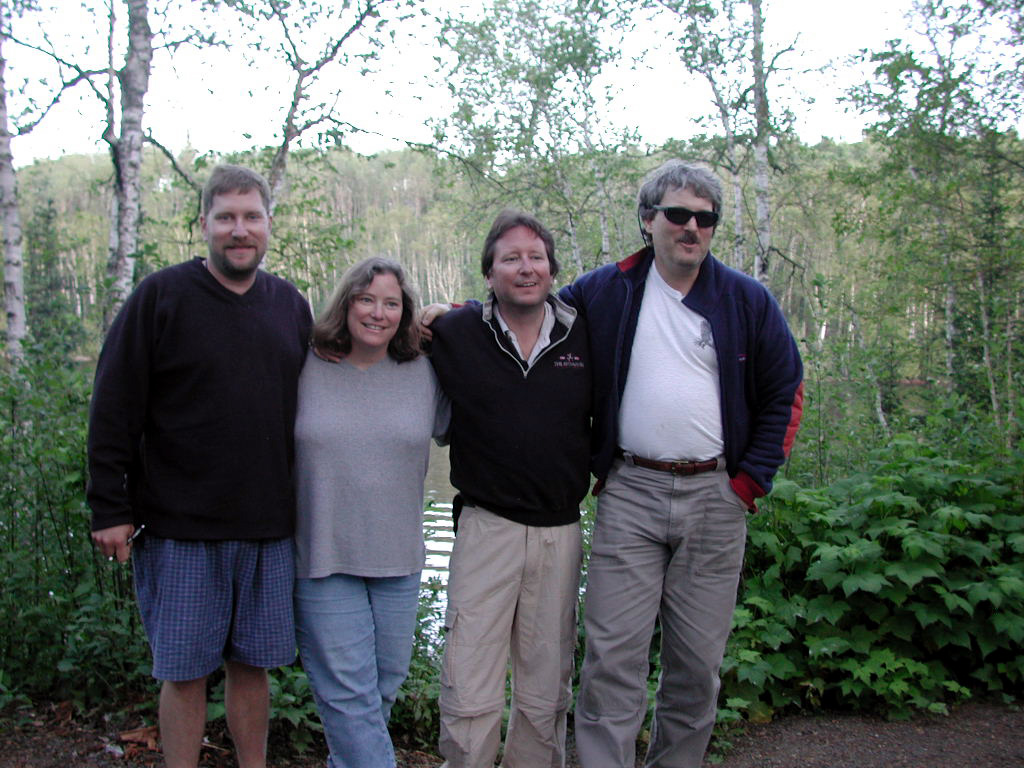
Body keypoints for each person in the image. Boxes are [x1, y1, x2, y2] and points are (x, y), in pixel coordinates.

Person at [561, 159, 804, 768]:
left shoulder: (746, 300)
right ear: (648, 220)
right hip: (630, 493)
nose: (691, 227)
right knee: (612, 659)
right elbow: (530, 318)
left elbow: (786, 391)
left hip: (715, 499)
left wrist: (746, 485)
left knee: (696, 667)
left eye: (705, 218)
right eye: (677, 214)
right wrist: (457, 316)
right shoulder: (605, 291)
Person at [87, 164, 312, 768]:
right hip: (180, 529)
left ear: (269, 223)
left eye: (251, 217)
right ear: (203, 223)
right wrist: (109, 506)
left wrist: (431, 323)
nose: (240, 230)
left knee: (253, 668)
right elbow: (113, 405)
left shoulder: (289, 305)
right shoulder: (161, 297)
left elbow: (339, 376)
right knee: (184, 674)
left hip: (268, 527)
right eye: (226, 217)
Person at [427, 210, 591, 768]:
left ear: (552, 268)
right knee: (468, 682)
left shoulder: (583, 333)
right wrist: (433, 313)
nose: (526, 268)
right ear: (489, 273)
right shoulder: (456, 333)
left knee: (545, 692)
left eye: (536, 257)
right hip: (485, 528)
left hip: (559, 533)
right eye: (511, 258)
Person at [292, 257, 449, 768]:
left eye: (391, 303)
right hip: (324, 558)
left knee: (380, 691)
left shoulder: (424, 371)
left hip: (398, 561)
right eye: (366, 299)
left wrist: (454, 314)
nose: (378, 313)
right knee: (349, 697)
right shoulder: (304, 365)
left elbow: (481, 414)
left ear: (406, 313)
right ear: (346, 303)